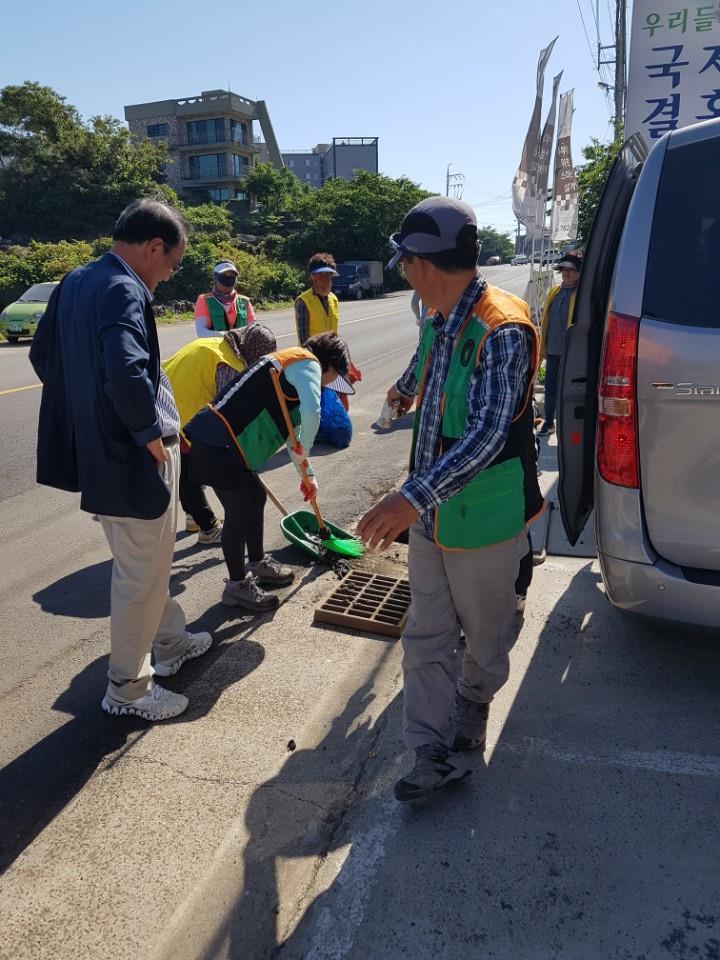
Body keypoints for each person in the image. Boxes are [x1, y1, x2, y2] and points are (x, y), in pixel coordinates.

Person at [357, 197, 543, 802]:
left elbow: (490, 432)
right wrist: (406, 388)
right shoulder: (440, 314)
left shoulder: (502, 328)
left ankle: (474, 706)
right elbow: (429, 363)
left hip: (483, 518)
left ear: (419, 263)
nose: (402, 270)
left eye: (403, 261)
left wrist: (408, 499)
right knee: (426, 634)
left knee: (485, 638)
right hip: (433, 517)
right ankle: (429, 750)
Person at [29, 199, 212, 722]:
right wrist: (148, 435)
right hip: (134, 456)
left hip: (100, 451)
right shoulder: (124, 287)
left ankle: (172, 642)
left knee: (146, 565)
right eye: (171, 264)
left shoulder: (76, 281)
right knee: (139, 573)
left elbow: (46, 357)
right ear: (153, 248)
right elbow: (128, 371)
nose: (167, 275)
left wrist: (92, 413)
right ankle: (128, 686)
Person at [184, 332, 354, 613]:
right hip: (218, 442)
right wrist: (307, 449)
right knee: (239, 510)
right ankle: (237, 586)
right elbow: (313, 413)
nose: (327, 386)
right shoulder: (306, 362)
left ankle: (257, 563)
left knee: (255, 498)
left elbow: (293, 436)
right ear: (330, 366)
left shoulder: (289, 370)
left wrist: (308, 476)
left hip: (226, 445)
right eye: (331, 378)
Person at [163, 324, 278, 546]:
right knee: (193, 468)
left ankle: (193, 517)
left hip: (165, 399)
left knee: (185, 470)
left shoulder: (217, 344)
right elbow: (228, 419)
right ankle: (207, 527)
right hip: (183, 410)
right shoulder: (229, 365)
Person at [538, 251, 582, 435]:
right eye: (564, 269)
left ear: (579, 272)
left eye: (571, 270)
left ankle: (568, 423)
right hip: (554, 349)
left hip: (572, 352)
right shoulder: (555, 292)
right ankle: (549, 421)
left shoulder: (581, 295)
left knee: (569, 390)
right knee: (550, 387)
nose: (567, 273)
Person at [195, 260, 256, 338]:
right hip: (214, 348)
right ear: (215, 278)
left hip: (240, 349)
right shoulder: (204, 300)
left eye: (232, 276)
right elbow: (202, 332)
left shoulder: (245, 301)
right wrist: (228, 336)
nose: (228, 279)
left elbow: (253, 330)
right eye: (224, 275)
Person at [294, 253, 339, 344]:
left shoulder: (333, 299)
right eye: (322, 276)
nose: (326, 280)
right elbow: (304, 340)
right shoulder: (303, 301)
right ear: (313, 277)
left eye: (328, 276)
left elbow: (335, 334)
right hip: (313, 355)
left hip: (332, 353)